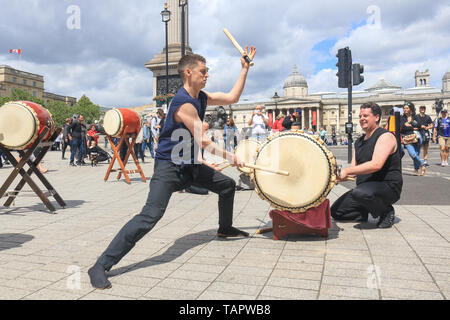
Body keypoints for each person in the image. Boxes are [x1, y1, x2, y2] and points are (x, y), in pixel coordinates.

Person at [88, 47, 256, 289]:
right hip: (168, 168)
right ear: (188, 72)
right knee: (150, 216)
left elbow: (232, 98)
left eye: (207, 71)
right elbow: (204, 141)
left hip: (190, 166)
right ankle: (100, 265)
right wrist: (233, 156)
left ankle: (225, 228)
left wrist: (244, 69)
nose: (207, 75)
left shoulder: (201, 97)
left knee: (227, 186)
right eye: (203, 71)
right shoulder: (183, 103)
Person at [331, 102, 403, 228]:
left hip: (387, 186)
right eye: (360, 116)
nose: (362, 119)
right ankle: (366, 210)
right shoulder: (358, 142)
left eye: (365, 115)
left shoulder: (385, 136)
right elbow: (353, 171)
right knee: (336, 212)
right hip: (364, 189)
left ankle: (385, 210)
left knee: (361, 193)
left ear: (377, 117)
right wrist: (335, 176)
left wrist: (347, 171)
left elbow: (376, 164)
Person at [400, 102, 426, 176]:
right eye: (404, 108)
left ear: (410, 109)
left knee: (417, 154)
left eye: (407, 108)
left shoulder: (415, 116)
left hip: (417, 137)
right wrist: (412, 127)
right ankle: (422, 165)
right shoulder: (402, 118)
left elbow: (419, 125)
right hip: (407, 138)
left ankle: (416, 170)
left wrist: (409, 124)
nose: (405, 110)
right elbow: (402, 128)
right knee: (412, 154)